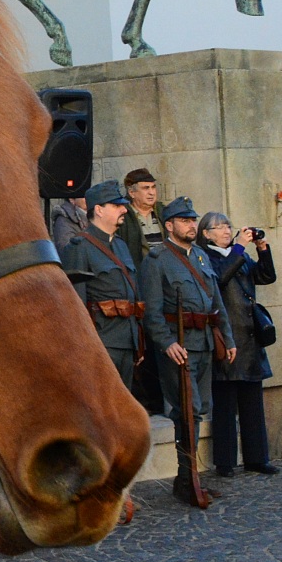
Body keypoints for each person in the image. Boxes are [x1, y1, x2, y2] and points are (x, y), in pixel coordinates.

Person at [140, 197, 234, 505]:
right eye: (184, 221)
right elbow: (151, 311)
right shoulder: (157, 260)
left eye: (193, 220)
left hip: (205, 342)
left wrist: (228, 339)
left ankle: (188, 477)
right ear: (169, 226)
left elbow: (217, 302)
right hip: (179, 348)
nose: (191, 225)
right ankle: (188, 478)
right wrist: (167, 343)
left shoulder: (202, 258)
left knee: (199, 408)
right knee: (188, 409)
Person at [195, 211, 277, 476]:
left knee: (253, 403)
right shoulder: (205, 256)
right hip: (226, 336)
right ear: (206, 233)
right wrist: (240, 246)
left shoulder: (239, 254)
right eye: (219, 228)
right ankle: (225, 462)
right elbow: (220, 279)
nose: (227, 231)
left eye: (228, 226)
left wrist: (263, 249)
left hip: (249, 337)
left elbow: (265, 277)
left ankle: (257, 457)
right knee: (225, 404)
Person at [60, 180, 142, 393]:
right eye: (116, 205)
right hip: (101, 343)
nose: (124, 209)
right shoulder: (79, 247)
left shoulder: (121, 246)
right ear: (98, 209)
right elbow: (75, 304)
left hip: (127, 341)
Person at [118, 167, 166, 413]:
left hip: (167, 287)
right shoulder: (125, 217)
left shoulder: (163, 213)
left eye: (153, 187)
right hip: (141, 288)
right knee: (146, 347)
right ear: (131, 192)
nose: (151, 193)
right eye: (145, 188)